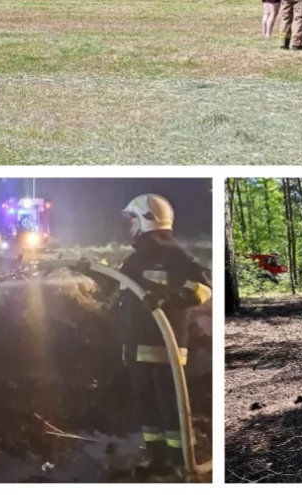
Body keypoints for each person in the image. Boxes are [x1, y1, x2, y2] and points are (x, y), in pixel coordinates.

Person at [117, 194, 212, 475]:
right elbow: (122, 290)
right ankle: (157, 458)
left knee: (173, 407)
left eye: (132, 219)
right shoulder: (136, 258)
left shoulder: (175, 254)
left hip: (165, 345)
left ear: (146, 219)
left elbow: (203, 289)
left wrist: (168, 298)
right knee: (147, 407)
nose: (129, 226)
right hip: (138, 346)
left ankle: (182, 461)